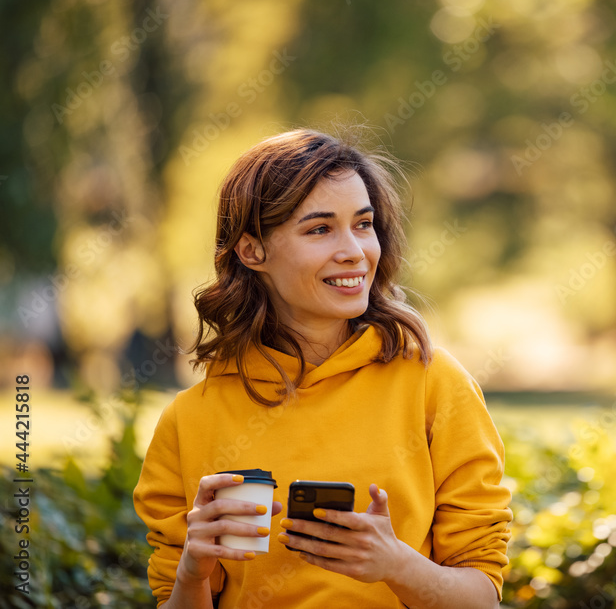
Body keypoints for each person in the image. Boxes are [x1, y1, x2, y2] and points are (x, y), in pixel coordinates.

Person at [133, 128, 512, 608]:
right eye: (319, 229)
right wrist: (192, 573)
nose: (354, 250)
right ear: (252, 251)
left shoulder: (434, 386)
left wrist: (397, 565)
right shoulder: (188, 422)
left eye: (363, 224)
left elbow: (482, 601)